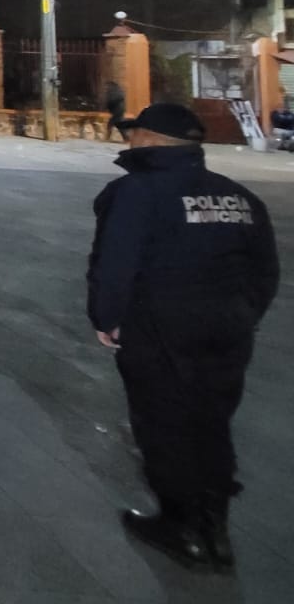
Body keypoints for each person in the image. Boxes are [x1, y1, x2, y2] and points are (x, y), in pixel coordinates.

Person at [87, 103, 279, 572]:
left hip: (162, 328)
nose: (128, 140)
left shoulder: (135, 192)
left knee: (164, 424)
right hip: (229, 331)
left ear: (150, 139)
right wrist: (244, 314)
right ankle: (215, 529)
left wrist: (106, 317)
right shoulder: (237, 196)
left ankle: (181, 527)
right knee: (212, 423)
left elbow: (115, 264)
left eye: (135, 133)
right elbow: (266, 270)